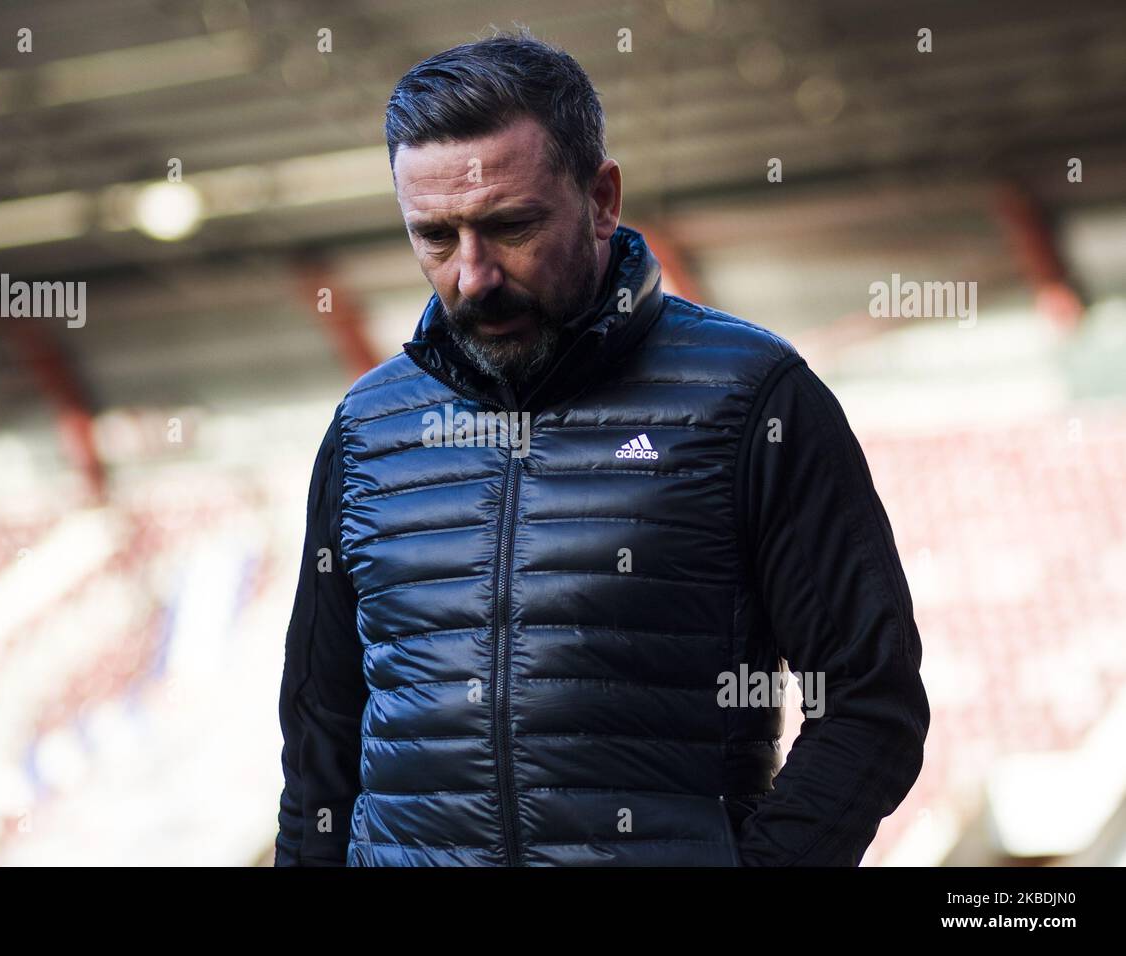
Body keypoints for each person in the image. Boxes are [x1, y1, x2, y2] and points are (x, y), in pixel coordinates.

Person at [275, 27, 929, 867]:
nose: (472, 275)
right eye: (435, 237)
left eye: (509, 226)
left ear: (603, 198)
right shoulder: (368, 429)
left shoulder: (752, 398)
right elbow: (321, 734)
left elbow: (870, 702)